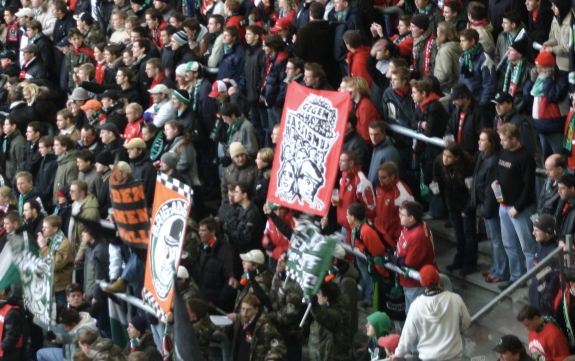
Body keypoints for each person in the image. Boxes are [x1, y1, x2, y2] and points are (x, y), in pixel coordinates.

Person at [392, 265, 471, 361]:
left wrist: (398, 354)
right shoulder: (455, 299)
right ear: (439, 279)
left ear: (421, 282)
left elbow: (408, 335)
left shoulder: (416, 305)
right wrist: (456, 332)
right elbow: (466, 321)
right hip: (452, 355)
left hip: (428, 357)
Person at [493, 123, 537, 290]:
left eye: (504, 140)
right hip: (503, 205)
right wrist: (496, 181)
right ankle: (516, 277)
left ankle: (533, 282)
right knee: (509, 244)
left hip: (520, 210)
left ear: (514, 139)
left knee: (528, 247)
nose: (501, 143)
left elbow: (529, 187)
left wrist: (517, 207)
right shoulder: (503, 151)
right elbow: (498, 169)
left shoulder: (525, 157)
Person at [471, 129, 509, 284]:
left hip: (491, 207)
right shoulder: (482, 156)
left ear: (491, 143)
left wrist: (486, 209)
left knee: (497, 239)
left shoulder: (493, 161)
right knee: (492, 238)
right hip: (484, 204)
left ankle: (502, 271)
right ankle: (496, 267)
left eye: (482, 140)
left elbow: (491, 189)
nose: (479, 142)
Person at [433, 142, 477, 276]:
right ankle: (459, 259)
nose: (444, 159)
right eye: (444, 155)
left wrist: (468, 208)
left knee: (468, 233)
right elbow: (436, 178)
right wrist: (436, 190)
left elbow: (472, 190)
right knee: (458, 232)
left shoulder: (468, 167)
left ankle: (470, 264)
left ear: (457, 158)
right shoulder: (439, 162)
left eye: (448, 157)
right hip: (451, 202)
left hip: (465, 203)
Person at [385, 201, 436, 313]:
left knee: (414, 314)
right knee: (409, 312)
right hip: (407, 281)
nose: (399, 217)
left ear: (412, 218)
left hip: (416, 283)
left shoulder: (418, 235)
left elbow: (409, 263)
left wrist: (392, 259)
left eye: (402, 215)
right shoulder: (409, 227)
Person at [347, 203, 395, 308]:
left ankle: (372, 298)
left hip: (373, 261)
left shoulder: (366, 231)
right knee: (365, 274)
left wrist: (384, 275)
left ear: (353, 217)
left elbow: (377, 256)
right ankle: (368, 296)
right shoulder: (359, 226)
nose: (346, 217)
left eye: (347, 215)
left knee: (372, 279)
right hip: (364, 257)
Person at [524, 51, 569, 160]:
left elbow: (552, 96)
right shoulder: (539, 77)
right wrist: (532, 80)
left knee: (559, 159)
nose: (538, 70)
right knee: (546, 158)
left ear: (550, 66)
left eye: (541, 67)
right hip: (540, 124)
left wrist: (548, 79)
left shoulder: (561, 77)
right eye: (537, 67)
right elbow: (527, 95)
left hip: (554, 124)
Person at [266, 251, 304, 361]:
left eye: (283, 261)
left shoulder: (293, 285)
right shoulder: (278, 276)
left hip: (291, 336)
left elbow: (290, 314)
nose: (279, 262)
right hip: (278, 330)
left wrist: (270, 316)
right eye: (279, 259)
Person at [197, 217, 240, 313]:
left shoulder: (226, 252)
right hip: (206, 301)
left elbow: (231, 282)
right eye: (199, 230)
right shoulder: (204, 248)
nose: (199, 233)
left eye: (203, 230)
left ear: (213, 232)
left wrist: (218, 302)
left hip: (220, 307)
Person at [292, 2, 339, 88]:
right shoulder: (330, 28)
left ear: (310, 13)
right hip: (328, 69)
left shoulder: (304, 30)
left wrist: (295, 43)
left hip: (310, 72)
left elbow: (299, 53)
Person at [410, 80, 448, 185]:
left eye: (414, 92)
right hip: (428, 149)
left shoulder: (435, 107)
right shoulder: (420, 106)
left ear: (423, 94)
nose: (411, 95)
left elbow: (429, 132)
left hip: (437, 151)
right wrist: (421, 124)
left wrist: (420, 129)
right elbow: (412, 123)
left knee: (432, 180)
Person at [230, 294, 286, 361]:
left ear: (256, 310)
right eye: (243, 309)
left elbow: (278, 346)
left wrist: (271, 358)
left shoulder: (264, 326)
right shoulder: (239, 323)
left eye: (248, 310)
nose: (245, 313)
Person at [528, 214, 561, 316]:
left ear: (547, 232)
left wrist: (545, 301)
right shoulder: (539, 244)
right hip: (536, 294)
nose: (533, 233)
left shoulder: (555, 252)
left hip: (545, 303)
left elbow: (554, 279)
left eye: (536, 230)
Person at [309, 281, 351, 361]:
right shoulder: (326, 306)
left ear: (325, 298)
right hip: (320, 354)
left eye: (318, 294)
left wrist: (315, 306)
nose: (315, 296)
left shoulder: (339, 311)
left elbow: (326, 317)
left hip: (331, 356)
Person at [37, 215, 74, 303]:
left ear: (55, 229)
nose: (43, 229)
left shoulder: (64, 244)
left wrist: (43, 248)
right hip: (48, 285)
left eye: (46, 227)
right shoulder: (48, 240)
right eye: (43, 227)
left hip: (59, 287)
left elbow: (54, 265)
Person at [445, 84, 489, 157]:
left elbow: (483, 136)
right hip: (457, 155)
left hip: (470, 157)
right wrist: (449, 140)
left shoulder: (479, 113)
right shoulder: (455, 112)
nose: (453, 103)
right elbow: (449, 127)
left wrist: (476, 156)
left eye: (455, 99)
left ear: (465, 97)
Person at [374, 162, 414, 241]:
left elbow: (409, 219)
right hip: (379, 232)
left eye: (383, 177)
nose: (380, 180)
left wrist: (397, 235)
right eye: (379, 177)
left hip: (393, 237)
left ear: (392, 176)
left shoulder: (402, 193)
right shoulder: (379, 188)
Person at [458, 28, 497, 109]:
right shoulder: (463, 57)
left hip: (478, 104)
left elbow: (489, 85)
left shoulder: (485, 59)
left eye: (463, 41)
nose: (460, 44)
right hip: (465, 102)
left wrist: (481, 104)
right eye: (460, 41)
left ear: (472, 41)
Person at [223, 183, 266, 256]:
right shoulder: (241, 209)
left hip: (250, 255)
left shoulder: (252, 214)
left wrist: (229, 230)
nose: (234, 195)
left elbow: (244, 238)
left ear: (244, 195)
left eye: (236, 192)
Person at [492, 91, 536, 156]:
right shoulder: (497, 120)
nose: (497, 107)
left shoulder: (520, 123)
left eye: (500, 104)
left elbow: (528, 149)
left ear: (510, 104)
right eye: (496, 104)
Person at [124, 138, 157, 207]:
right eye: (128, 149)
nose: (128, 151)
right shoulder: (132, 163)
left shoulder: (148, 168)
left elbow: (147, 192)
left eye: (131, 149)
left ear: (140, 151)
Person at [434, 21, 462, 97]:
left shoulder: (445, 50)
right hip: (456, 86)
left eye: (437, 31)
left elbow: (445, 73)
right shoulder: (457, 46)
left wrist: (434, 83)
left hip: (446, 89)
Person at [541, 0, 571, 72]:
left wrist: (552, 49)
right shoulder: (556, 18)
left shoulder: (573, 21)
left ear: (562, 6)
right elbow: (553, 37)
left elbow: (571, 46)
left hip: (570, 66)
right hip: (558, 64)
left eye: (555, 5)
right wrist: (547, 44)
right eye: (551, 5)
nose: (552, 8)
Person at [52, 136, 79, 206]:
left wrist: (65, 199)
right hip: (58, 202)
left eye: (56, 145)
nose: (53, 147)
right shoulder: (61, 161)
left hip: (64, 203)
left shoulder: (71, 164)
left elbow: (71, 186)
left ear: (64, 147)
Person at [0, 287, 24, 361]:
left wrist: (2, 347)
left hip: (7, 354)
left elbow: (11, 338)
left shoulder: (12, 312)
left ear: (2, 291)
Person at [409, 14, 436, 80]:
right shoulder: (416, 40)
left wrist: (421, 82)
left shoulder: (433, 43)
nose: (410, 29)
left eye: (413, 27)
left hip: (426, 82)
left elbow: (433, 68)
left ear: (421, 29)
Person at [2, 116, 26, 182]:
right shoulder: (8, 139)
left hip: (14, 180)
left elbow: (21, 164)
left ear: (13, 126)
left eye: (6, 124)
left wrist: (15, 181)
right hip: (8, 178)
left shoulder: (19, 143)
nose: (4, 126)